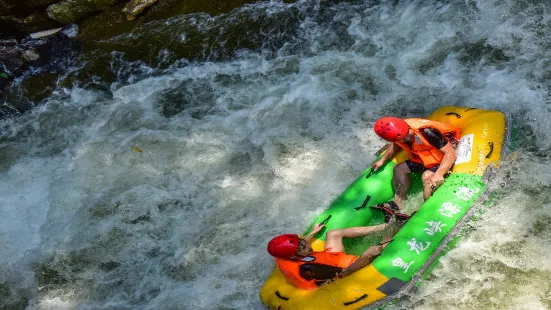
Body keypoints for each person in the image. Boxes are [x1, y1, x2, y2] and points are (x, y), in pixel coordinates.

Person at [266, 220, 403, 289]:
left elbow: (298, 247)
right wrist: (367, 256)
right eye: (303, 246)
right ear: (294, 256)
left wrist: (312, 233)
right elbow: (343, 274)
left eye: (303, 242)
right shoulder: (310, 270)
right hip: (343, 272)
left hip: (327, 259)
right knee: (374, 250)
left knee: (333, 234)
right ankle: (395, 229)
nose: (308, 245)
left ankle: (384, 226)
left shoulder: (286, 256)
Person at [371, 117, 460, 211]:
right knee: (398, 169)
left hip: (444, 156)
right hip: (426, 158)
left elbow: (451, 153)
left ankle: (425, 209)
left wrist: (439, 174)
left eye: (407, 133)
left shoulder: (427, 132)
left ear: (406, 127)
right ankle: (398, 203)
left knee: (426, 176)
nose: (408, 137)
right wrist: (382, 160)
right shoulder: (398, 136)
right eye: (402, 138)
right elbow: (396, 144)